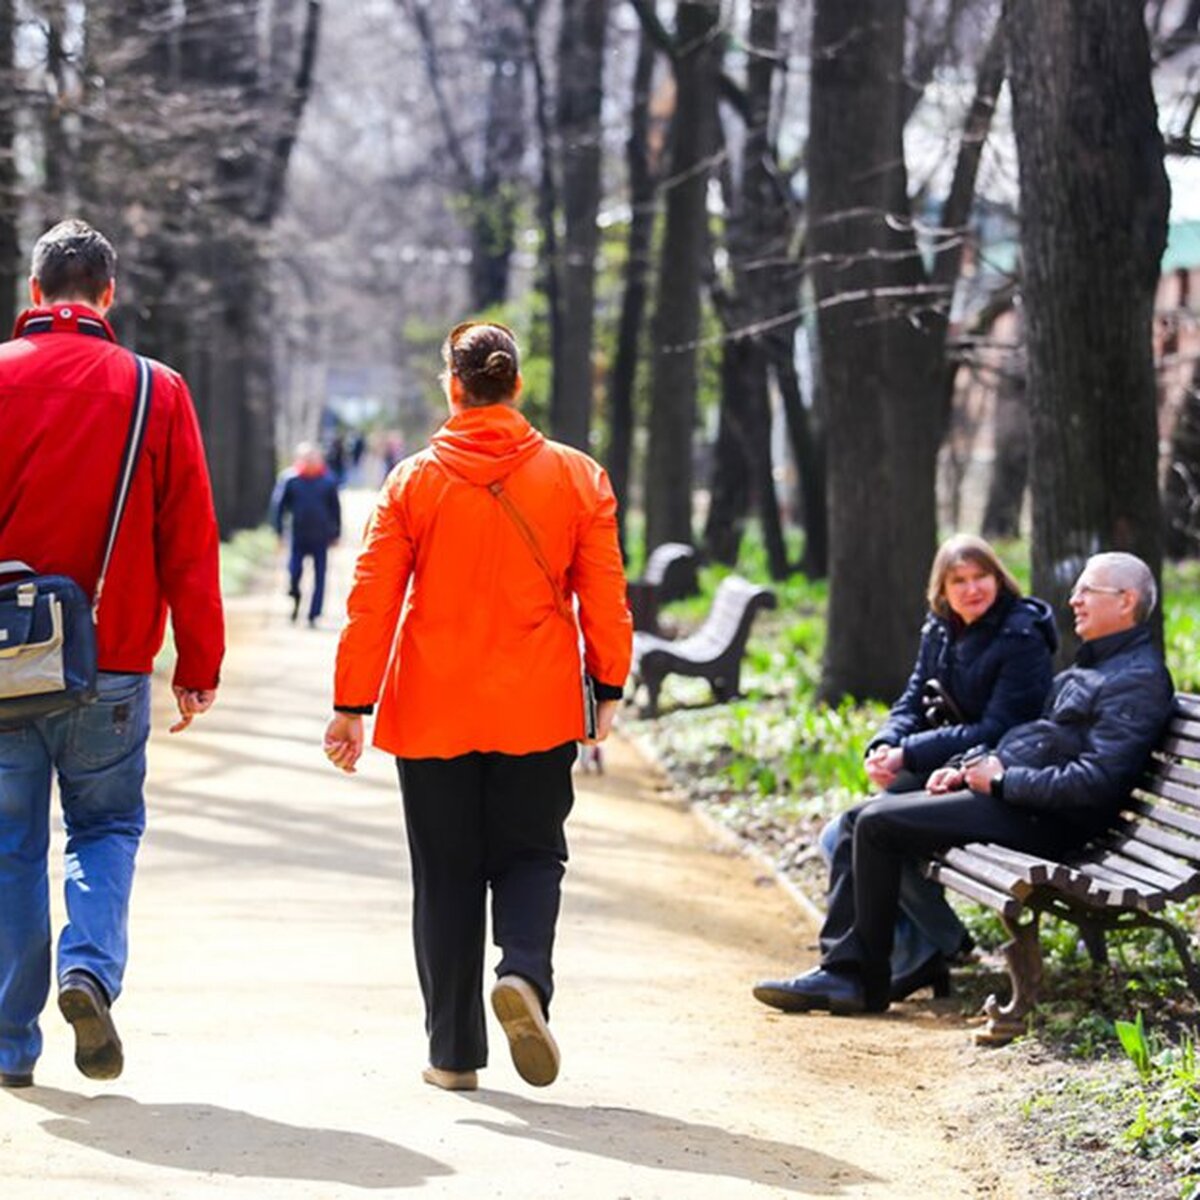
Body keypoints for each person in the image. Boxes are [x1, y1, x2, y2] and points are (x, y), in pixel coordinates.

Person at [324, 321, 631, 1092]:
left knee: (446, 875)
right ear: (516, 386)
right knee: (532, 853)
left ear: (453, 388)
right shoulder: (577, 478)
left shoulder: (411, 482)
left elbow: (372, 603)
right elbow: (606, 597)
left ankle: (452, 1055)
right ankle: (523, 972)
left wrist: (351, 705)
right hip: (536, 704)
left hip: (433, 710)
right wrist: (610, 688)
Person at [754, 551, 1173, 1016]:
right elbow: (1034, 740)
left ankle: (858, 980)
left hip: (1054, 823)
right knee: (857, 820)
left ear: (1126, 600)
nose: (1073, 599)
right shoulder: (1094, 666)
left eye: (1086, 591)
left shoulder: (1137, 679)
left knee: (875, 825)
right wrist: (969, 765)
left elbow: (1095, 783)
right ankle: (845, 971)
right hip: (1026, 803)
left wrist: (1003, 782)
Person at [0, 219, 224, 1086]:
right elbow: (190, 539)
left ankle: (12, 1047)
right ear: (108, 295)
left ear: (33, 294)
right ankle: (87, 969)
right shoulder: (153, 391)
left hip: (3, 666)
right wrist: (198, 665)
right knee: (104, 826)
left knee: (10, 844)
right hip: (114, 660)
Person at [818, 534, 1057, 1000]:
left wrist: (911, 754)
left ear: (998, 578)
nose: (972, 589)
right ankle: (930, 947)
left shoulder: (1020, 635)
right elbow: (912, 697)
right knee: (836, 836)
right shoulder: (942, 629)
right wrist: (886, 743)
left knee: (865, 831)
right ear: (942, 591)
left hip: (991, 770)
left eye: (980, 577)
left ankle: (924, 952)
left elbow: (1000, 727)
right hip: (942, 763)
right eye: (959, 581)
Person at [270, 442, 341, 627]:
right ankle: (295, 596)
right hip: (297, 535)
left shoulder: (328, 480)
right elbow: (278, 507)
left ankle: (313, 614)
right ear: (299, 459)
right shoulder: (290, 479)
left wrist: (336, 533)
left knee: (320, 576)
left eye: (313, 458)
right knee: (294, 572)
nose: (310, 461)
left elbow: (335, 509)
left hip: (321, 536)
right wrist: (278, 531)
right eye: (306, 458)